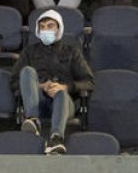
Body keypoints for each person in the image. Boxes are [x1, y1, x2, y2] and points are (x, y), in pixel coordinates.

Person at [12, 9, 95, 155]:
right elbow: (13, 82)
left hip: (64, 103)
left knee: (61, 94)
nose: (45, 30)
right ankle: (33, 119)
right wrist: (39, 86)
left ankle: (56, 139)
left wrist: (66, 87)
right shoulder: (29, 52)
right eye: (42, 27)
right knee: (27, 71)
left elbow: (89, 82)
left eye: (50, 26)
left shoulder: (72, 51)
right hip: (39, 102)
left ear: (59, 29)